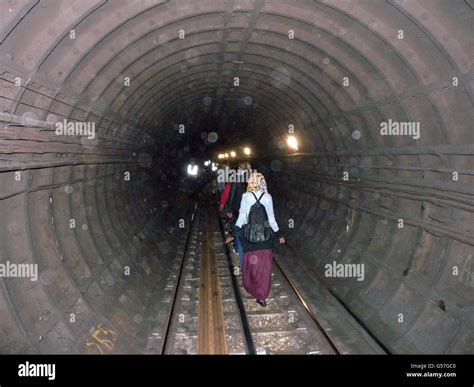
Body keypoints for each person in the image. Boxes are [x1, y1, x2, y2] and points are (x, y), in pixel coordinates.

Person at [226, 172, 285, 307]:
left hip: (250, 238)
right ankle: (262, 296)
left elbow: (242, 217)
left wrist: (233, 233)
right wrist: (279, 235)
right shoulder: (268, 197)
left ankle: (253, 288)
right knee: (265, 268)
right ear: (263, 182)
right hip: (265, 238)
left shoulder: (246, 196)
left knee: (252, 266)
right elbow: (271, 219)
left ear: (251, 182)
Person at [220, 162, 251, 266]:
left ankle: (238, 248)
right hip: (250, 209)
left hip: (238, 209)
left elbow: (232, 195)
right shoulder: (252, 179)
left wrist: (228, 209)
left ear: (239, 169)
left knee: (238, 229)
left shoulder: (236, 179)